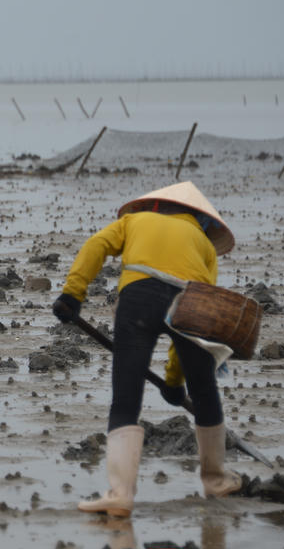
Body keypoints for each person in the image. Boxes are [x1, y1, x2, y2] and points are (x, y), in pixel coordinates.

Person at [52, 181, 242, 517]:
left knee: (126, 395)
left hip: (139, 299)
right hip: (190, 303)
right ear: (200, 220)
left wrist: (72, 295)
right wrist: (173, 381)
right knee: (204, 389)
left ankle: (120, 494)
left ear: (155, 206)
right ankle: (216, 481)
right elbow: (201, 308)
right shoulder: (205, 246)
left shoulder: (134, 221)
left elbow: (96, 246)